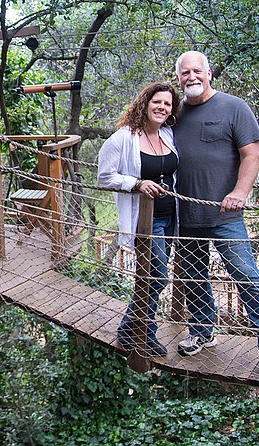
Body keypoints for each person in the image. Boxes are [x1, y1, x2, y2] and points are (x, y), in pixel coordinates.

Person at [173, 50, 259, 383]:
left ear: (209, 73)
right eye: (185, 73)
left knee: (248, 278)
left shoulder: (234, 107)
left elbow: (251, 155)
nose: (191, 77)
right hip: (187, 216)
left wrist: (240, 192)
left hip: (226, 217)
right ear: (178, 78)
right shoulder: (174, 113)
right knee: (194, 277)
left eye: (197, 71)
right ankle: (201, 331)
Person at [98, 82, 181, 357]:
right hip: (145, 220)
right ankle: (139, 331)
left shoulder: (168, 134)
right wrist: (136, 183)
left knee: (152, 276)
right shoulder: (124, 138)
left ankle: (132, 330)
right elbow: (105, 177)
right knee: (157, 277)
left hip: (170, 218)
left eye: (167, 104)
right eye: (157, 102)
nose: (162, 107)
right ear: (145, 104)